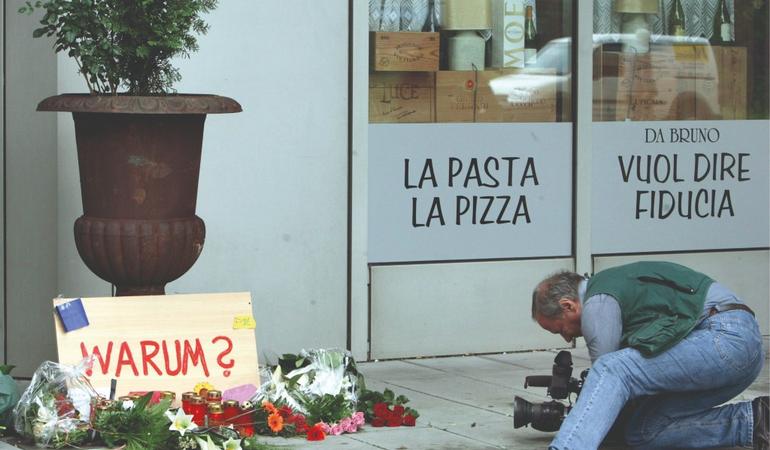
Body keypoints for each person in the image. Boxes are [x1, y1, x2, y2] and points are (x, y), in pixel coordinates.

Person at [531, 260, 768, 450]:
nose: (566, 338)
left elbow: (610, 380)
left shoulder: (598, 301)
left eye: (560, 328)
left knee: (611, 369)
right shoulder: (617, 288)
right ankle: (754, 421)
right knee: (643, 431)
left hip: (725, 338)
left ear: (568, 305)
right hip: (743, 354)